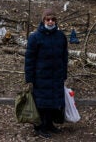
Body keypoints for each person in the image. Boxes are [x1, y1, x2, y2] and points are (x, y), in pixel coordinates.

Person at [24, 9, 68, 138]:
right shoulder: (35, 37)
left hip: (56, 76)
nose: (50, 22)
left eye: (53, 19)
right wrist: (29, 79)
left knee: (53, 102)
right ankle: (39, 127)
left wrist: (64, 75)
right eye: (47, 19)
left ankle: (49, 125)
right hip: (41, 77)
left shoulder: (61, 36)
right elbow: (29, 59)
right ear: (43, 21)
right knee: (41, 103)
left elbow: (64, 57)